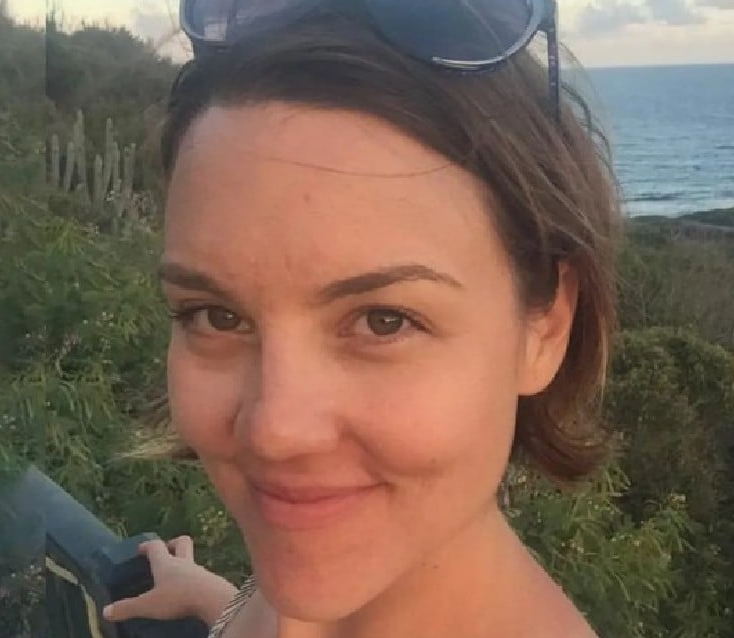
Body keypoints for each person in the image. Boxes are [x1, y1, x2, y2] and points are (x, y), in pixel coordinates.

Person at [106, 1, 622, 636]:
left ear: (545, 327)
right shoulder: (315, 584)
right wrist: (221, 604)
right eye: (216, 316)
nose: (275, 432)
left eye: (383, 321)